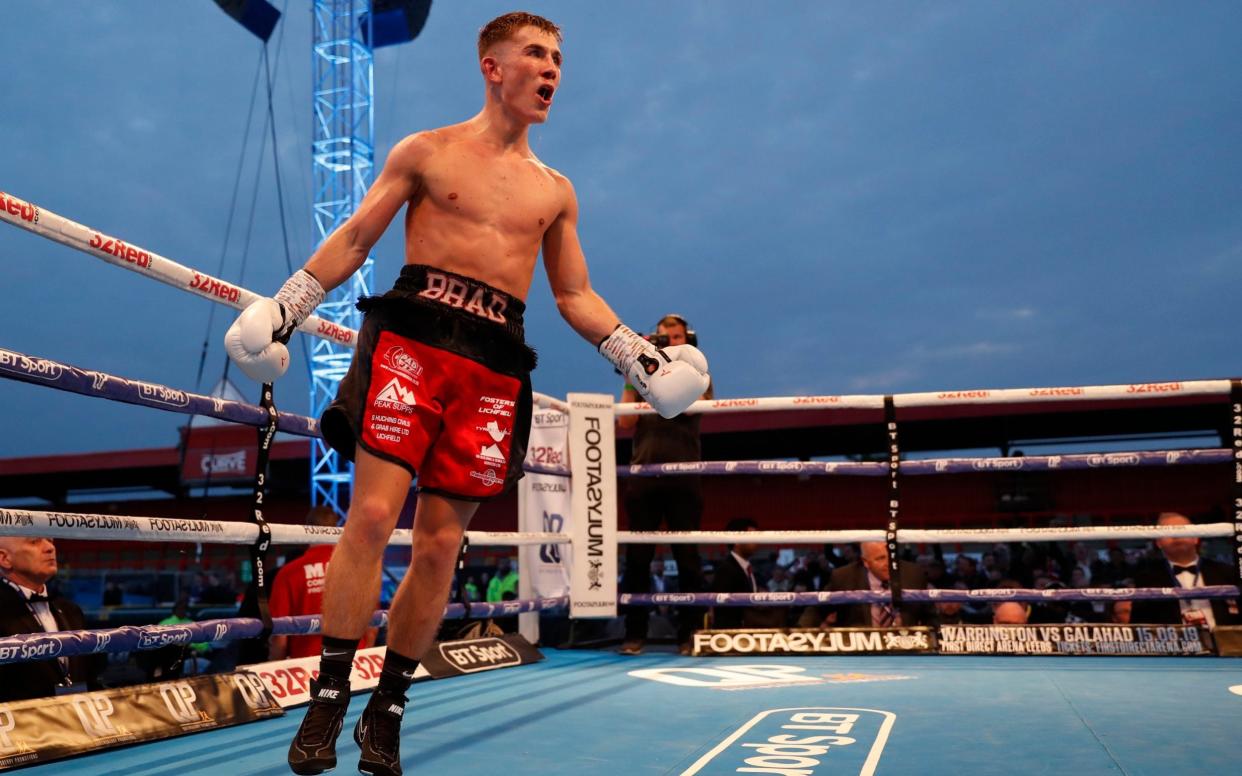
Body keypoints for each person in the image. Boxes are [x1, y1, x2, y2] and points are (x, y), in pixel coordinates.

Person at [223, 13, 709, 776]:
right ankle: (328, 697)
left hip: (493, 363)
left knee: (442, 542)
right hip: (413, 342)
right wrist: (283, 307)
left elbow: (574, 294)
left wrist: (641, 359)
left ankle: (387, 710)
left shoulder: (555, 190)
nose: (552, 71)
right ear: (493, 66)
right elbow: (355, 240)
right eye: (537, 55)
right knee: (375, 515)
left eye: (558, 59)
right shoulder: (428, 150)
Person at [617, 313, 711, 657]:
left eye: (674, 337)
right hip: (644, 477)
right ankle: (634, 634)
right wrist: (632, 374)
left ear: (687, 340)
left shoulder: (700, 374)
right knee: (637, 559)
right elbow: (625, 419)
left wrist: (666, 372)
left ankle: (691, 635)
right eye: (661, 337)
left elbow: (685, 410)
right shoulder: (644, 374)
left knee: (687, 558)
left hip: (683, 478)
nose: (667, 342)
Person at [0, 537, 105, 701]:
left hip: (77, 717)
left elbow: (89, 674)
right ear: (4, 559)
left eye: (50, 540)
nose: (50, 548)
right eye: (34, 542)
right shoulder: (3, 613)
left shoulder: (71, 610)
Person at [268, 507, 378, 661]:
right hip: (353, 662)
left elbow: (279, 635)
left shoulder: (289, 573)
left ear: (306, 530)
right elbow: (371, 626)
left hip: (305, 667)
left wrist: (275, 669)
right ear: (336, 529)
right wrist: (363, 658)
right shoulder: (358, 568)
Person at [1130, 512, 1240, 629]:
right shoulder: (1147, 577)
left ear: (1196, 538)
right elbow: (1139, 624)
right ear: (1158, 543)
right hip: (1173, 645)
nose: (1176, 535)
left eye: (1182, 530)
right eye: (1168, 532)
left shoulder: (1226, 572)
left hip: (1226, 643)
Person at [797, 541, 929, 628]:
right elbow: (817, 609)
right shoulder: (844, 576)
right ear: (866, 562)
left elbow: (929, 612)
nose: (888, 563)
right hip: (859, 648)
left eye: (892, 557)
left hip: (906, 645)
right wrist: (796, 636)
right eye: (880, 558)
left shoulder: (914, 573)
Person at [710, 518, 785, 630]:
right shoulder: (726, 569)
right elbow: (723, 611)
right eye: (751, 537)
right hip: (736, 633)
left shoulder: (745, 567)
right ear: (736, 541)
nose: (756, 542)